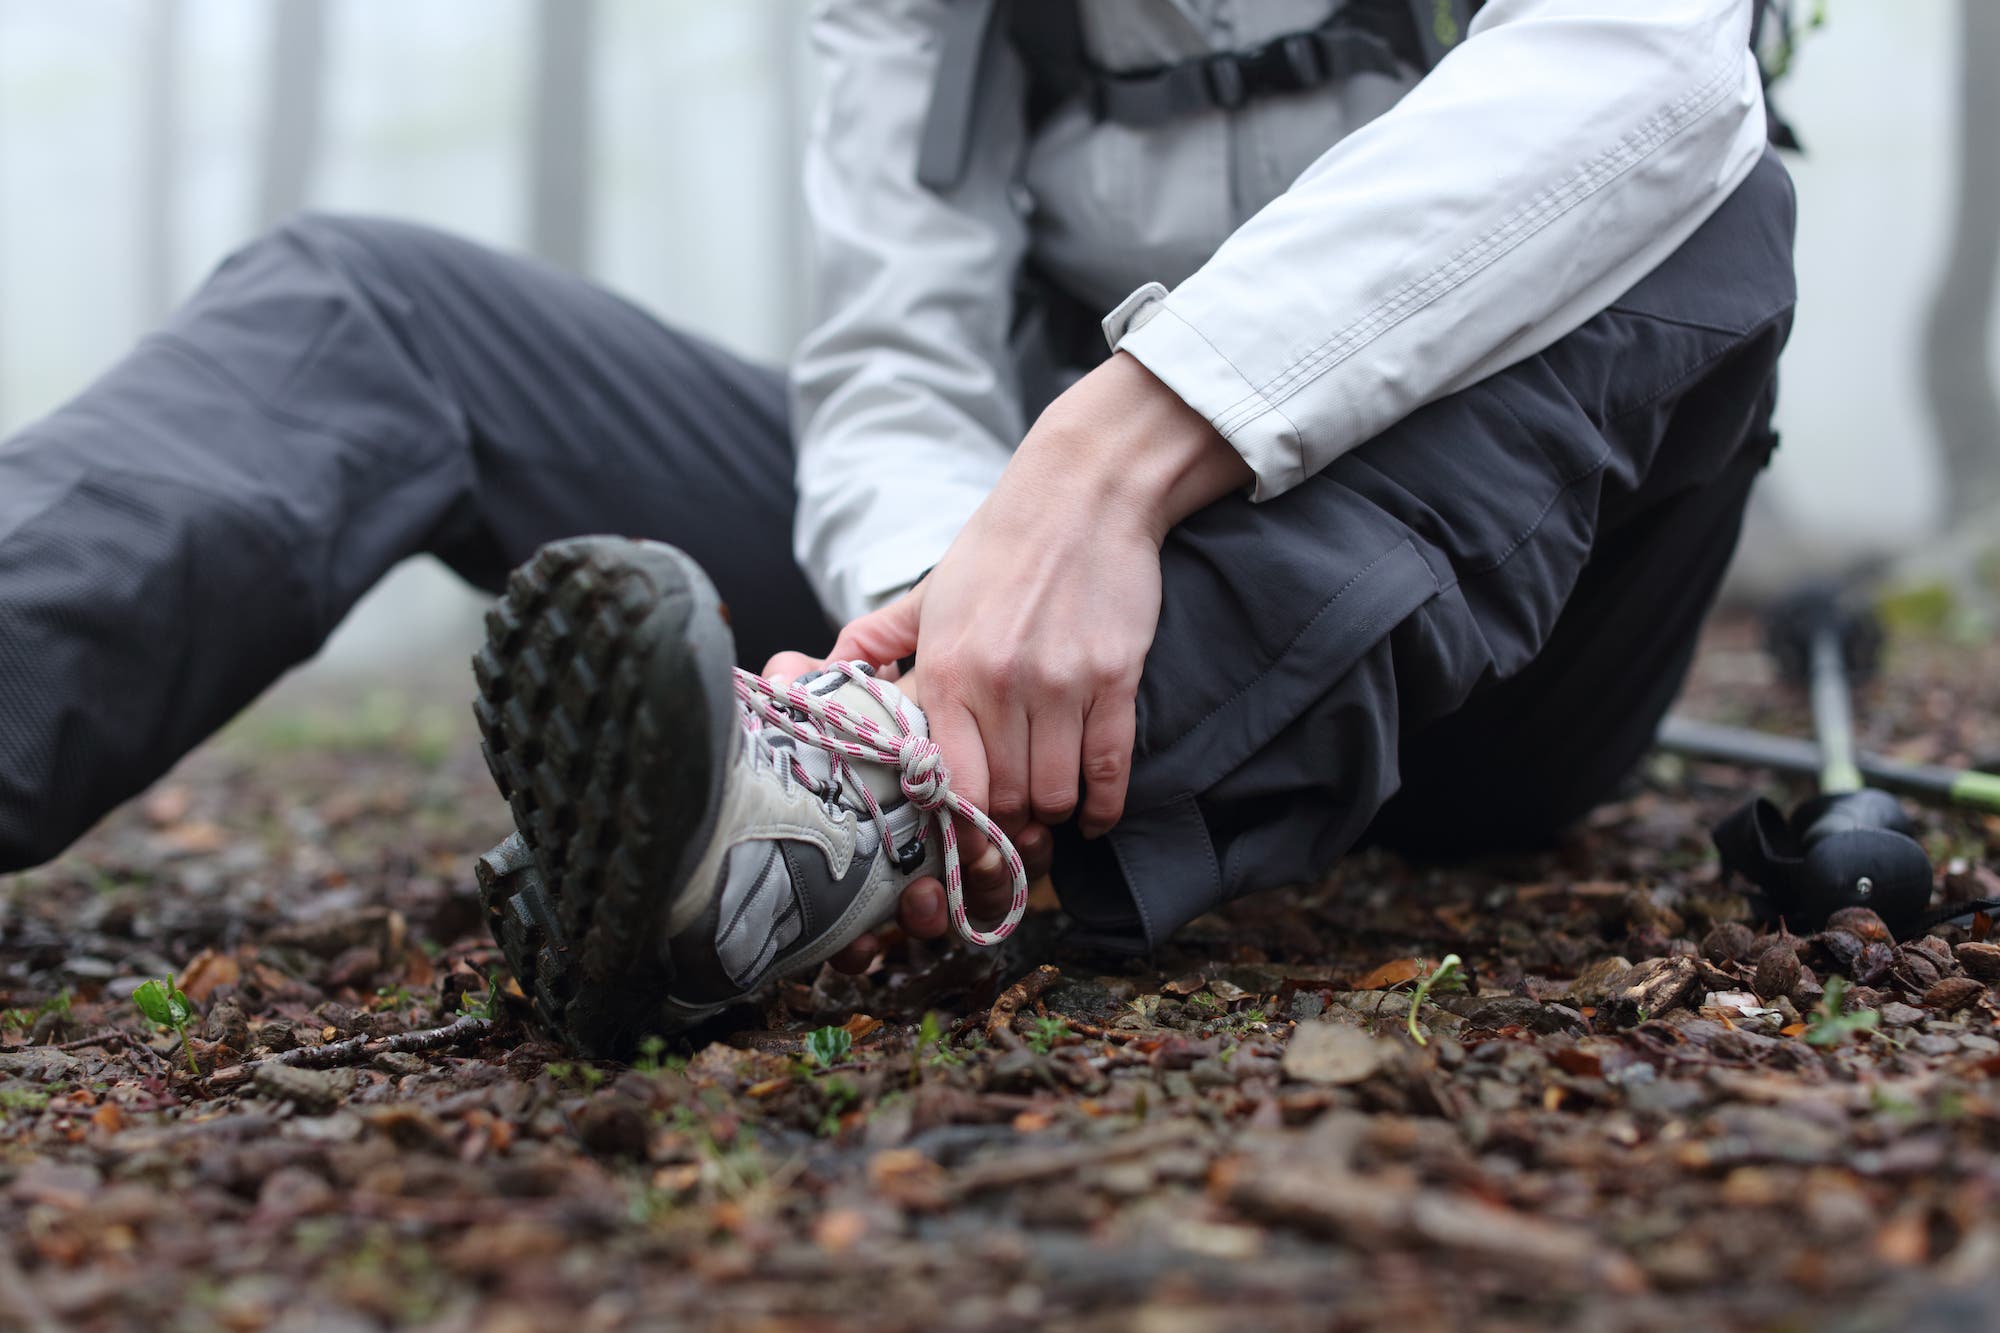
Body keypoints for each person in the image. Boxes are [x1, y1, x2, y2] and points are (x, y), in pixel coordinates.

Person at [0, 0, 1796, 1054]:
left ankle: (864, 799)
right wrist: (946, 589)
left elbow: (1651, 69)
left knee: (1720, 203)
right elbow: (892, 343)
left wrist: (1120, 449)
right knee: (368, 307)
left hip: (1517, 649)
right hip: (1036, 592)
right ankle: (864, 764)